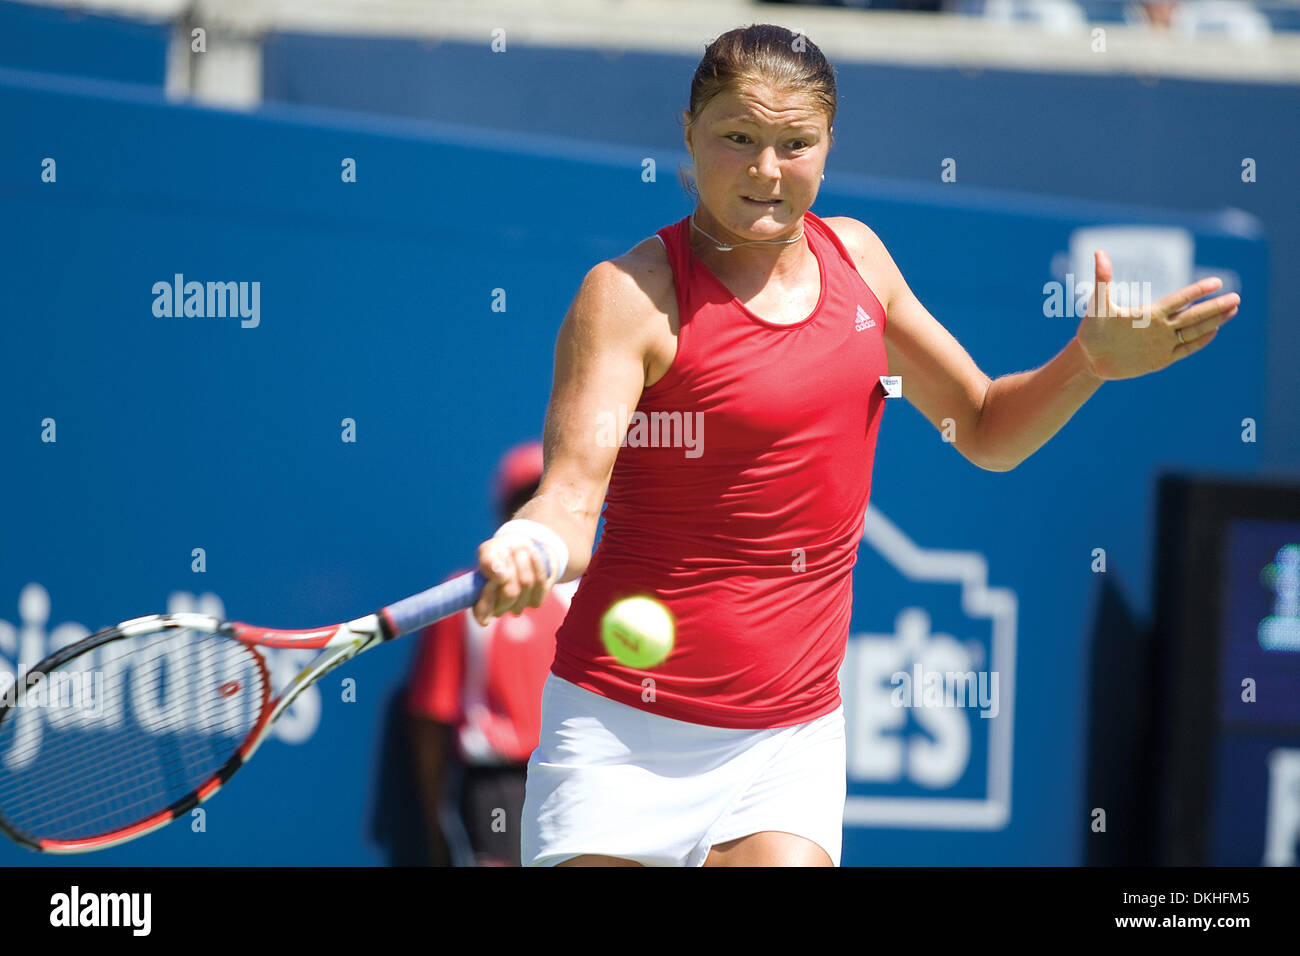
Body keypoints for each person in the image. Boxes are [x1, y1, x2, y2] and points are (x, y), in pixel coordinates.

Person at [470, 24, 1240, 867]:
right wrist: (531, 543)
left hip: (787, 739)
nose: (767, 170)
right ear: (688, 131)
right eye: (738, 138)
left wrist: (1086, 362)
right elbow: (573, 499)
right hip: (621, 731)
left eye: (795, 144)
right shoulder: (627, 296)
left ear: (828, 146)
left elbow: (984, 427)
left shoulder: (862, 265)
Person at [405, 440, 577, 866]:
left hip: (578, 780)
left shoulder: (590, 597)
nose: (540, 515)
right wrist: (433, 824)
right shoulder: (462, 601)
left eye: (546, 499)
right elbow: (431, 719)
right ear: (507, 514)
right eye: (527, 502)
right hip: (496, 790)